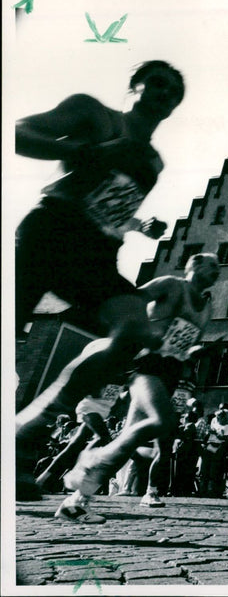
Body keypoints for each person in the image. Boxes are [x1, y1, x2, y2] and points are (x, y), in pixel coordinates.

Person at [15, 61, 186, 501]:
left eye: (173, 93)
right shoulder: (93, 113)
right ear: (135, 85)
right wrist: (84, 151)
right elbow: (20, 132)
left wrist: (136, 223)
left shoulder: (153, 162)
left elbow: (109, 203)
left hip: (96, 252)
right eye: (158, 83)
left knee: (134, 330)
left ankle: (30, 426)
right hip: (51, 231)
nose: (164, 94)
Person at [55, 253, 219, 522]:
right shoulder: (170, 284)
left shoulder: (207, 307)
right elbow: (131, 301)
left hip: (171, 372)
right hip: (146, 363)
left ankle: (75, 503)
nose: (217, 272)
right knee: (162, 420)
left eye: (218, 268)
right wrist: (142, 336)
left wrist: (197, 351)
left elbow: (183, 344)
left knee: (127, 443)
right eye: (212, 266)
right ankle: (90, 461)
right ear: (194, 264)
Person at [35, 383, 125, 493]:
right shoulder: (109, 373)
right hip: (90, 409)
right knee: (103, 437)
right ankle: (80, 468)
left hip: (101, 412)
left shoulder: (127, 375)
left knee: (75, 445)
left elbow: (121, 396)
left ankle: (41, 480)